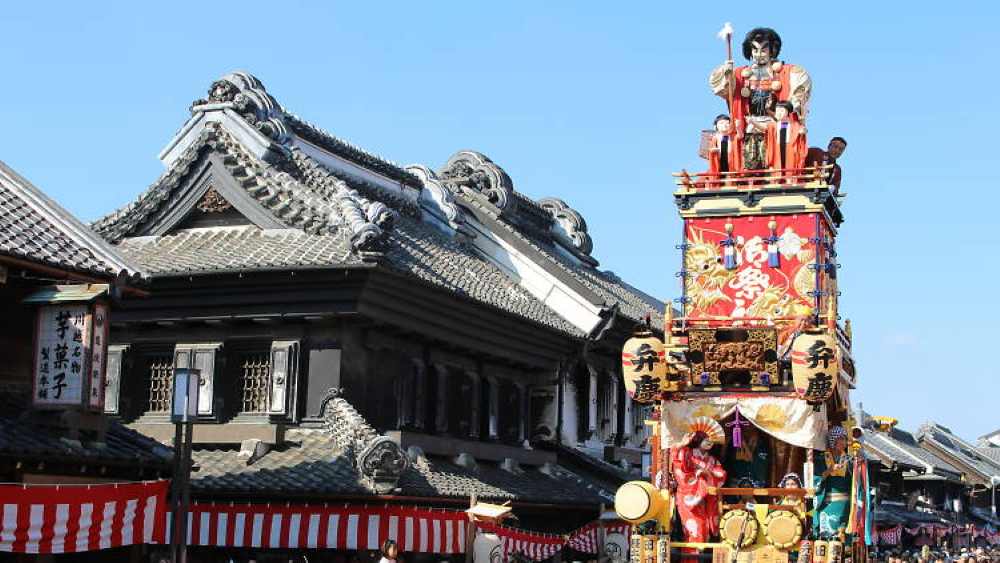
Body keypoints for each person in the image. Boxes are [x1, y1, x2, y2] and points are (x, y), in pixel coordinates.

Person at [709, 27, 812, 169]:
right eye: (755, 50)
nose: (759, 54)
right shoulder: (740, 75)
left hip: (775, 125)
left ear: (772, 50)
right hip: (749, 125)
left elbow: (799, 93)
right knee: (750, 163)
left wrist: (787, 109)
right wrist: (726, 72)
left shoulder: (789, 72)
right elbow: (722, 89)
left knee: (775, 160)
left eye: (763, 50)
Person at [672, 430, 728, 542]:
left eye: (712, 439)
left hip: (706, 499)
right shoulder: (688, 454)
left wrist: (708, 473)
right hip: (689, 496)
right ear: (698, 439)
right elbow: (679, 466)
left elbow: (721, 474)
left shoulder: (712, 460)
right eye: (706, 438)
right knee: (695, 529)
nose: (710, 441)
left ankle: (700, 553)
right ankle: (692, 554)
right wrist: (682, 444)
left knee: (705, 530)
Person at [813, 426, 853, 540]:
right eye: (841, 439)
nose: (844, 442)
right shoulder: (821, 459)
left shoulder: (849, 460)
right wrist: (829, 470)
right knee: (826, 535)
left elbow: (855, 481)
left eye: (845, 439)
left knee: (842, 535)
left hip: (845, 504)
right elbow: (815, 479)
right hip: (826, 503)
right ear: (833, 440)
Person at [751, 101, 807, 176]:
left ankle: (789, 179)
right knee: (777, 169)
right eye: (777, 111)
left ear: (788, 112)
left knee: (790, 169)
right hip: (777, 149)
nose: (779, 113)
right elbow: (765, 129)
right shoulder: (773, 125)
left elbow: (802, 131)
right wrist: (753, 122)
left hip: (789, 149)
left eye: (781, 110)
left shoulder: (794, 125)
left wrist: (803, 131)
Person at [707, 114, 743, 182]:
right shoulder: (714, 138)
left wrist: (738, 127)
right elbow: (708, 151)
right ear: (716, 126)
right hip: (719, 163)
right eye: (721, 123)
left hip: (731, 163)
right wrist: (712, 151)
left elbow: (740, 136)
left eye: (727, 123)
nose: (725, 125)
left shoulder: (732, 137)